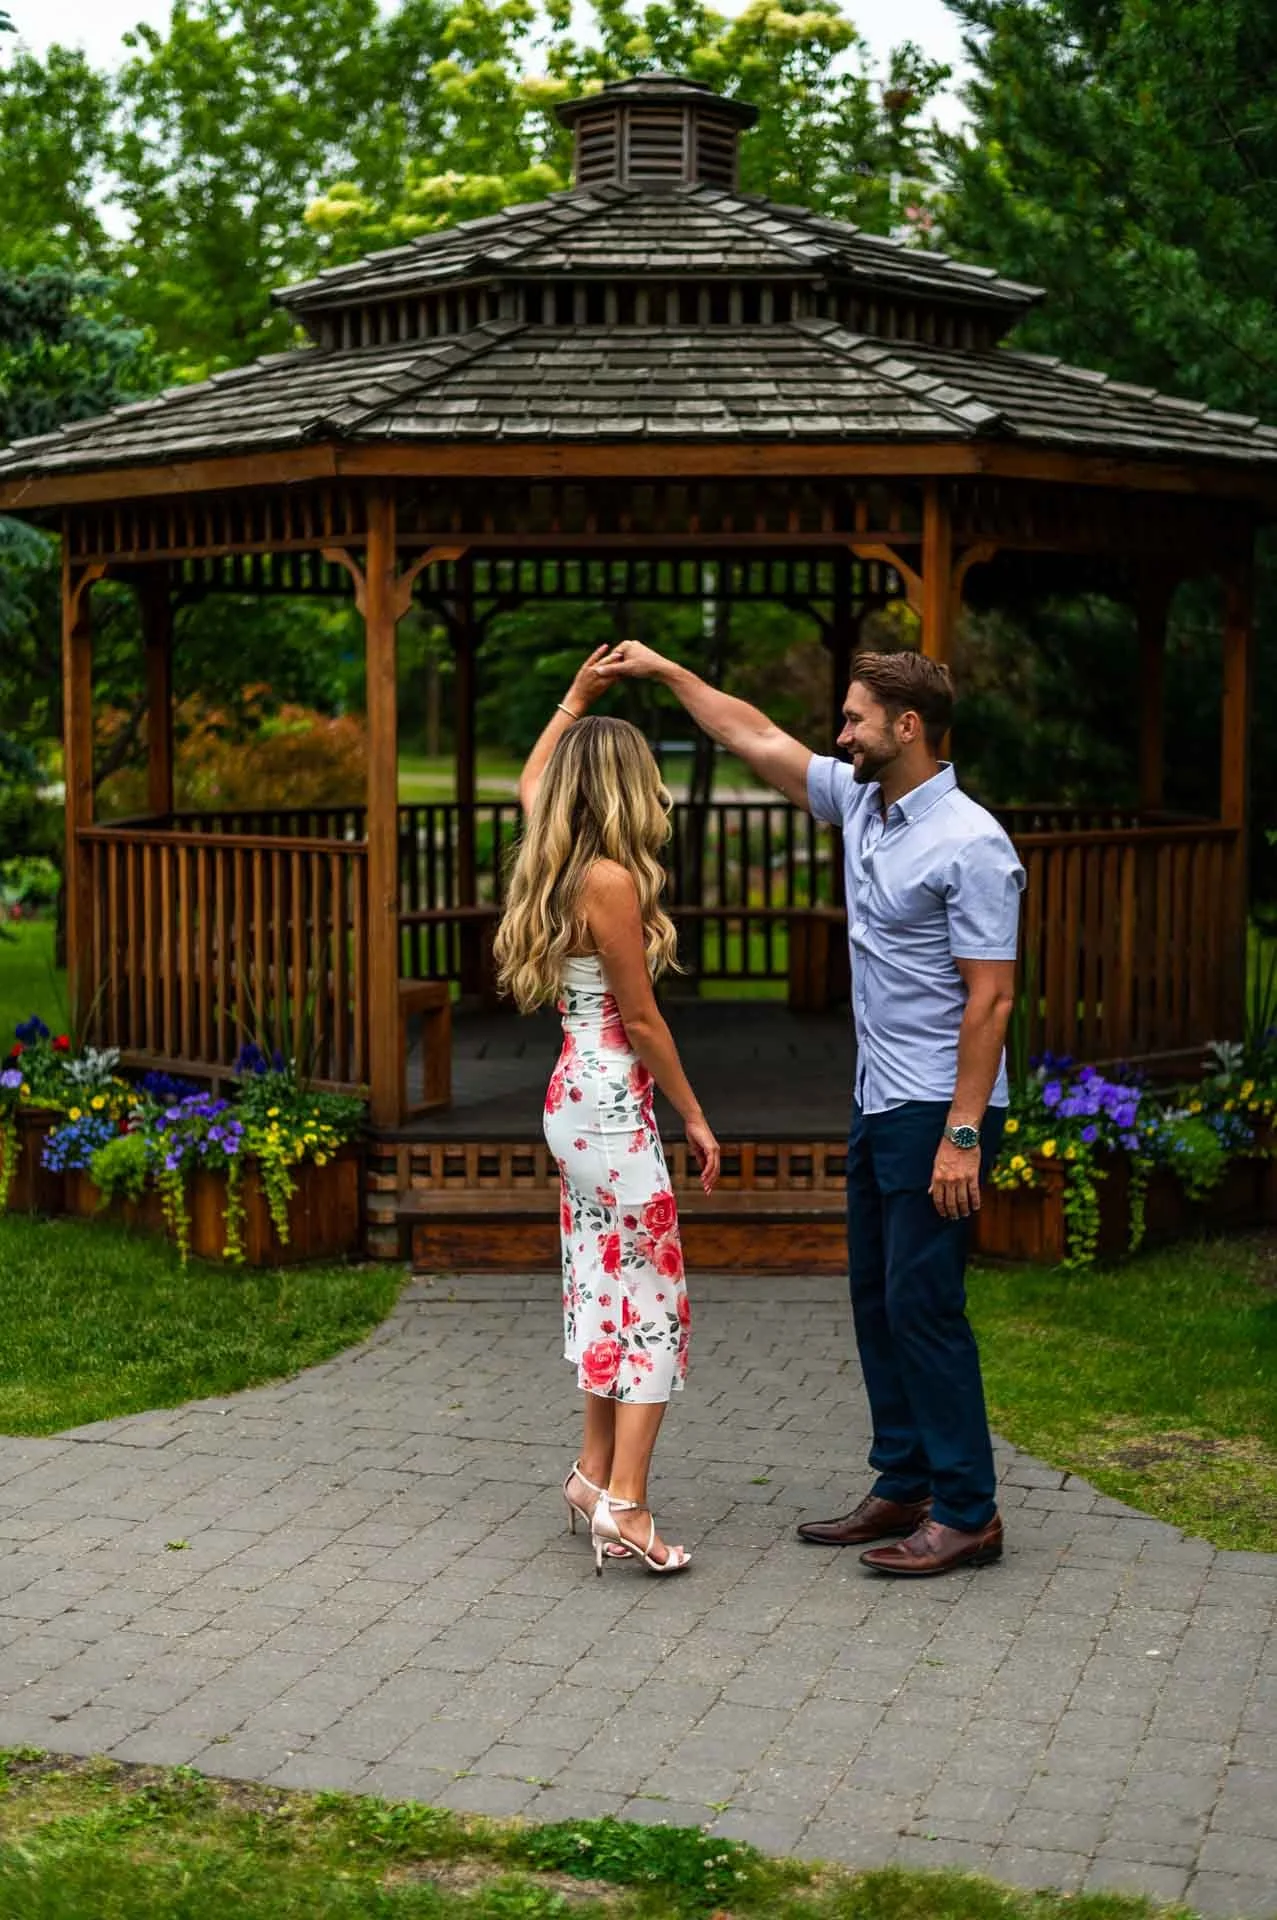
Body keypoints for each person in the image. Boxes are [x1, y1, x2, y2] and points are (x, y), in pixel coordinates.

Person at [598, 642, 1023, 1578]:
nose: (840, 735)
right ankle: (903, 1481)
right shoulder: (861, 805)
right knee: (875, 1297)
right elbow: (750, 734)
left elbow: (990, 1000)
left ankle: (967, 1510)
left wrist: (961, 1134)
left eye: (855, 719)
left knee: (925, 1304)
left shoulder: (972, 843)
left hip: (934, 1107)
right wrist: (667, 673)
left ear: (906, 727)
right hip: (879, 1098)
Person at [494, 646, 721, 1577]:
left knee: (602, 1283)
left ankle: (593, 1473)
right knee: (655, 1304)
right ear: (628, 785)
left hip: (570, 1098)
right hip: (612, 1107)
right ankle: (626, 1506)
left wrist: (572, 699)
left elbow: (530, 780)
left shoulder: (560, 861)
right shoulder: (610, 881)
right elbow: (642, 1019)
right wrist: (697, 1118)